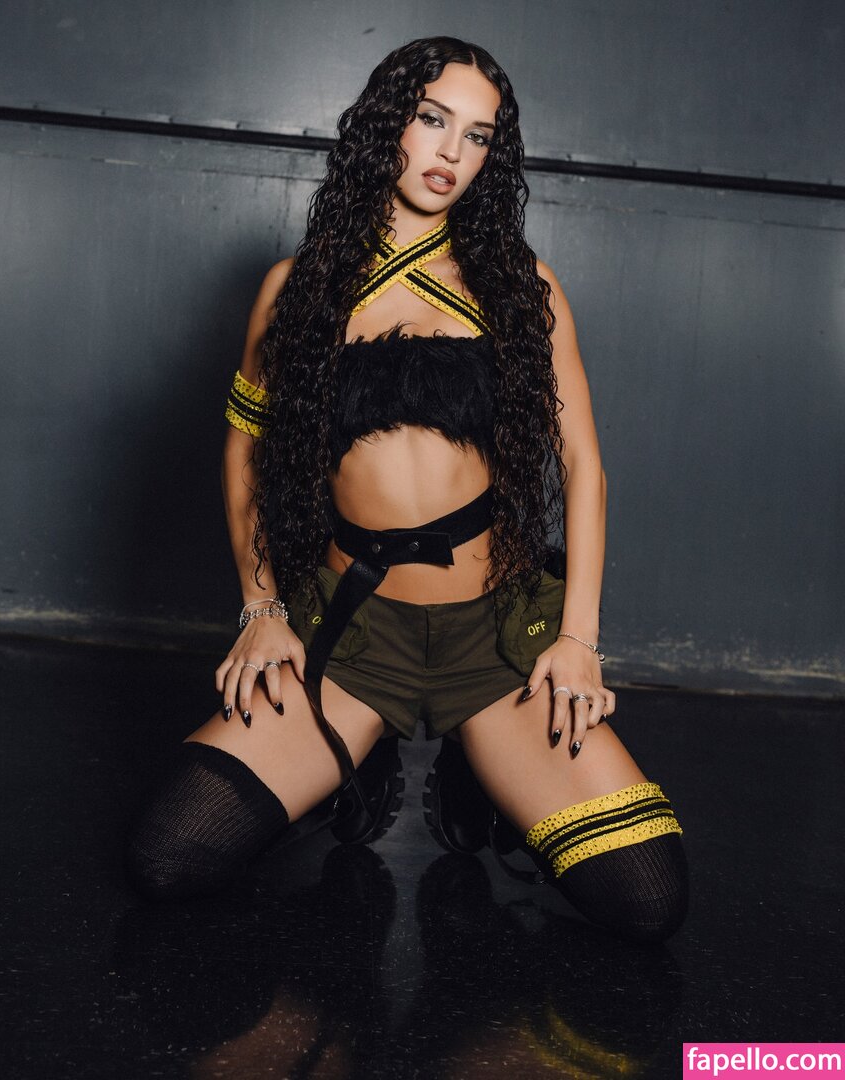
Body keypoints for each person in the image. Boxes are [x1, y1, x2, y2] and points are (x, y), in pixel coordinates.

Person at [127, 36, 688, 943]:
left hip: (493, 643)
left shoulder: (525, 289)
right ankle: (363, 757)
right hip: (351, 640)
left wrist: (578, 640)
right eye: (432, 120)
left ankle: (477, 773)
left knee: (649, 898)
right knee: (169, 857)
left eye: (478, 136)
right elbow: (245, 454)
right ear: (388, 123)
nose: (450, 153)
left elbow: (583, 466)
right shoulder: (297, 290)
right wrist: (261, 607)